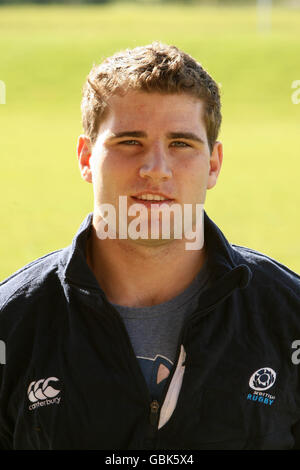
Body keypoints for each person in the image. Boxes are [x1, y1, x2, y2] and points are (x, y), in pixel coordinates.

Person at [0, 42, 300, 451]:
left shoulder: (288, 317)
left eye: (180, 144)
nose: (155, 169)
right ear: (86, 157)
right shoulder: (12, 324)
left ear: (213, 164)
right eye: (129, 142)